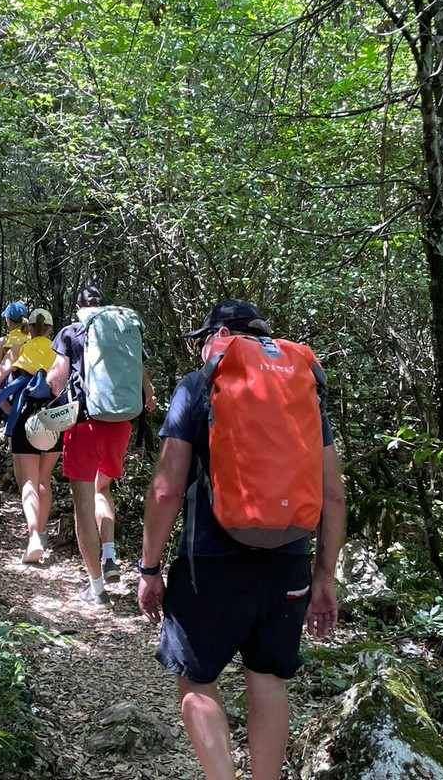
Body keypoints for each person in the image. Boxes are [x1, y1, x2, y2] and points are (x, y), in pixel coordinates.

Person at [136, 299, 346, 780]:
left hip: (209, 561)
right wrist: (324, 576)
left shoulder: (199, 385)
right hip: (289, 560)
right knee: (268, 679)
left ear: (219, 336)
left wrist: (149, 568)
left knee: (196, 680)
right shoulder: (304, 391)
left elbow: (166, 490)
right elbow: (333, 495)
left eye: (203, 339)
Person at [47, 286, 155, 606]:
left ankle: (96, 590)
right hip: (120, 425)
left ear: (78, 308)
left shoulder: (71, 332)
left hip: (85, 424)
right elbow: (148, 391)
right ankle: (109, 555)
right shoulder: (122, 330)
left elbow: (56, 380)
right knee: (102, 489)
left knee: (83, 504)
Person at [0, 307, 62, 563]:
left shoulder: (19, 349)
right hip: (54, 420)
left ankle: (33, 536)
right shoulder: (60, 352)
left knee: (29, 482)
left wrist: (8, 410)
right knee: (44, 480)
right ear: (50, 328)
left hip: (25, 417)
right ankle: (42, 534)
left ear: (29, 327)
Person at [0, 301, 31, 381]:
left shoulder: (3, 341)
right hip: (32, 383)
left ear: (8, 319)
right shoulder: (33, 338)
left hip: (10, 384)